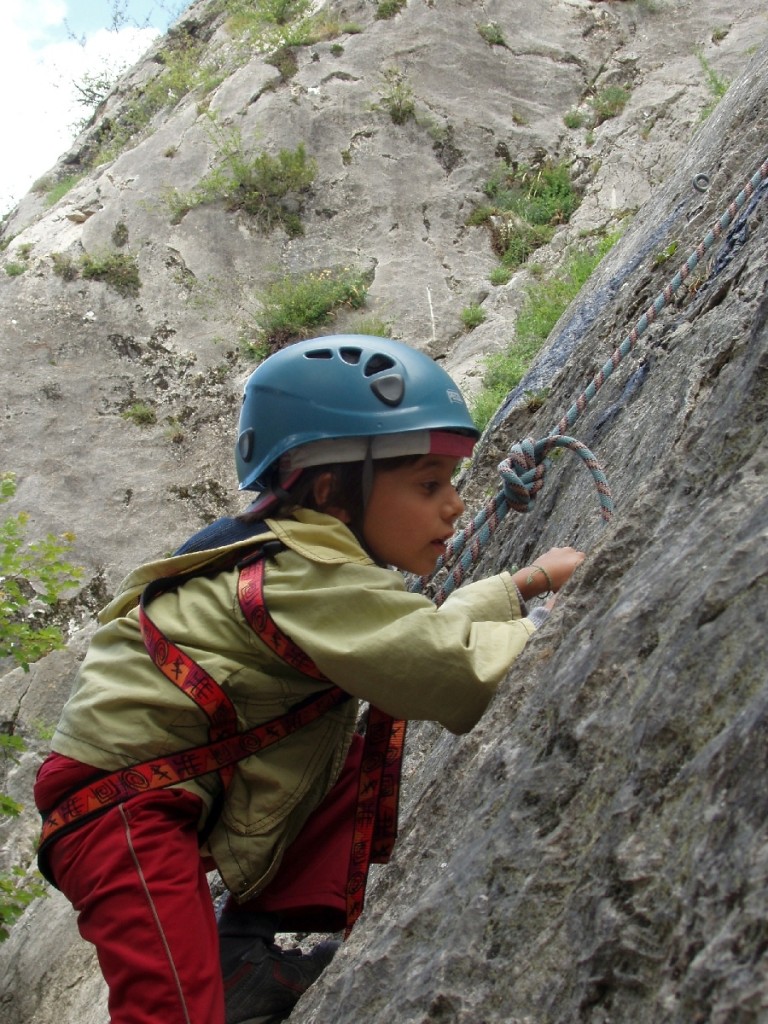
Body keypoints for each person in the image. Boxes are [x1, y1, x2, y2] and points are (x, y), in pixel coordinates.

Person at [34, 335, 584, 1024]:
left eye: (452, 482)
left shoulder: (304, 556)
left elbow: (410, 637)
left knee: (364, 726)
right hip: (119, 807)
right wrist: (552, 620)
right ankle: (239, 961)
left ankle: (250, 950)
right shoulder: (304, 576)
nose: (455, 506)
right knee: (170, 1009)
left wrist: (523, 584)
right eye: (427, 484)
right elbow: (446, 669)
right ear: (331, 489)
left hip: (178, 776)